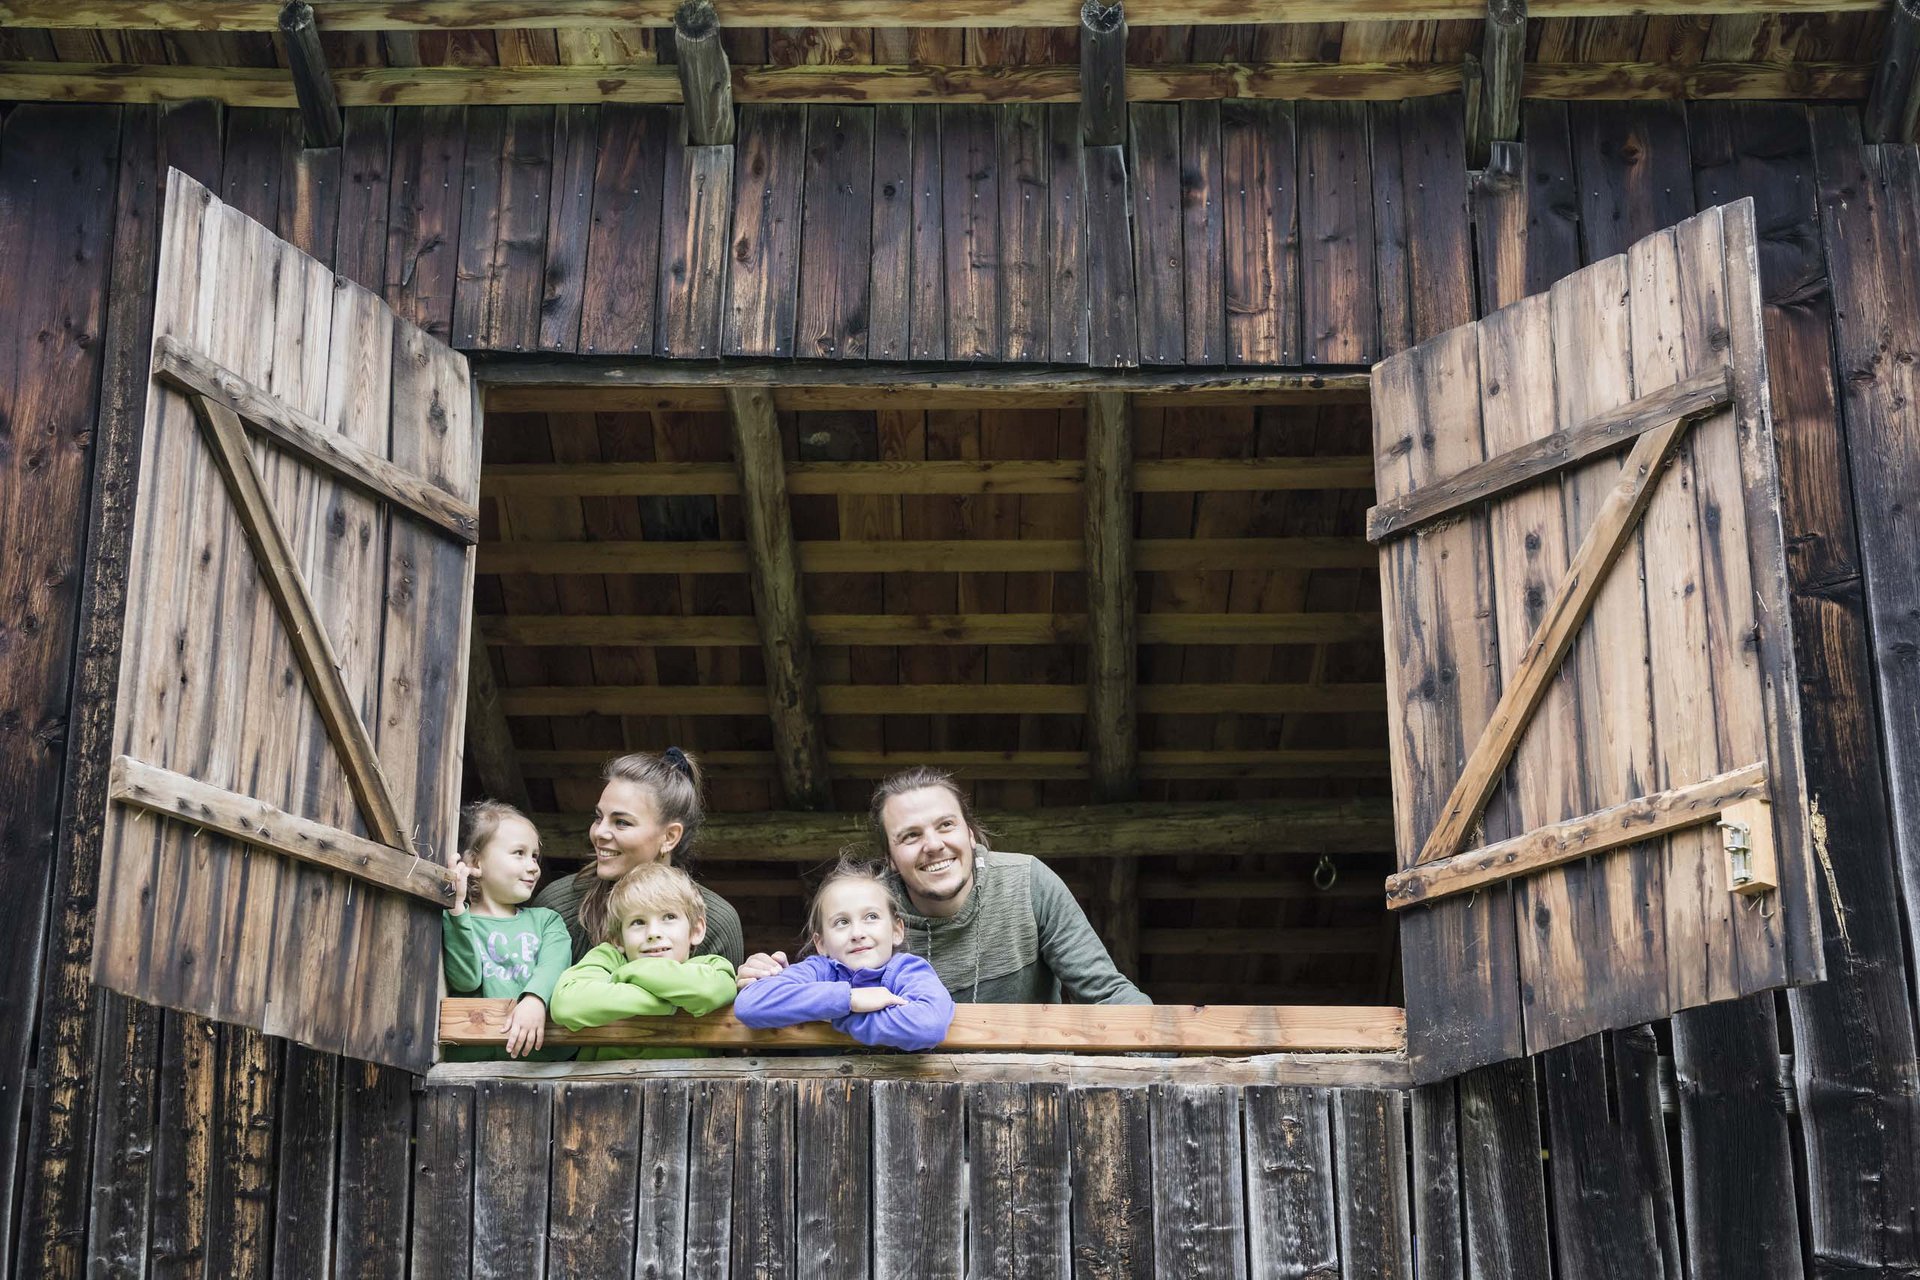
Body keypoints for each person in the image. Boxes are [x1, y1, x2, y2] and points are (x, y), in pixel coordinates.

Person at [737, 768, 1149, 1005]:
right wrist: (766, 979)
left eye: (946, 825)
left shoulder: (1028, 882)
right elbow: (817, 995)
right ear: (890, 858)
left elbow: (1106, 994)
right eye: (910, 836)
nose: (934, 846)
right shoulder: (867, 907)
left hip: (1031, 1100)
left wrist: (1175, 1057)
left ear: (970, 834)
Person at [531, 748, 745, 966]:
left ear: (670, 837)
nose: (599, 833)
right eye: (598, 818)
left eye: (621, 822)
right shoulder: (556, 906)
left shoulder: (717, 923)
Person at [733, 859, 955, 1051]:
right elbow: (749, 1004)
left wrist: (834, 1015)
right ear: (821, 943)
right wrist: (850, 998)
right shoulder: (817, 970)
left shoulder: (909, 970)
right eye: (842, 922)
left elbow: (929, 1025)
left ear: (897, 930)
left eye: (871, 917)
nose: (857, 933)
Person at [549, 862, 738, 1061]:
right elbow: (566, 1005)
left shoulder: (711, 966)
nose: (653, 933)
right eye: (638, 922)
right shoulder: (608, 958)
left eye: (669, 917)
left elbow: (707, 992)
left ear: (696, 930)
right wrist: (670, 1003)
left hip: (688, 1089)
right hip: (603, 1087)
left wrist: (629, 974)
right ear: (618, 940)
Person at [441, 800, 575, 1061]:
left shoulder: (547, 921)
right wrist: (456, 909)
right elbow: (466, 980)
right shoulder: (459, 921)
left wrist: (535, 999)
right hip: (474, 1065)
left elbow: (553, 966)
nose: (533, 866)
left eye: (534, 855)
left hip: (540, 1066)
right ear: (474, 862)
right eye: (519, 853)